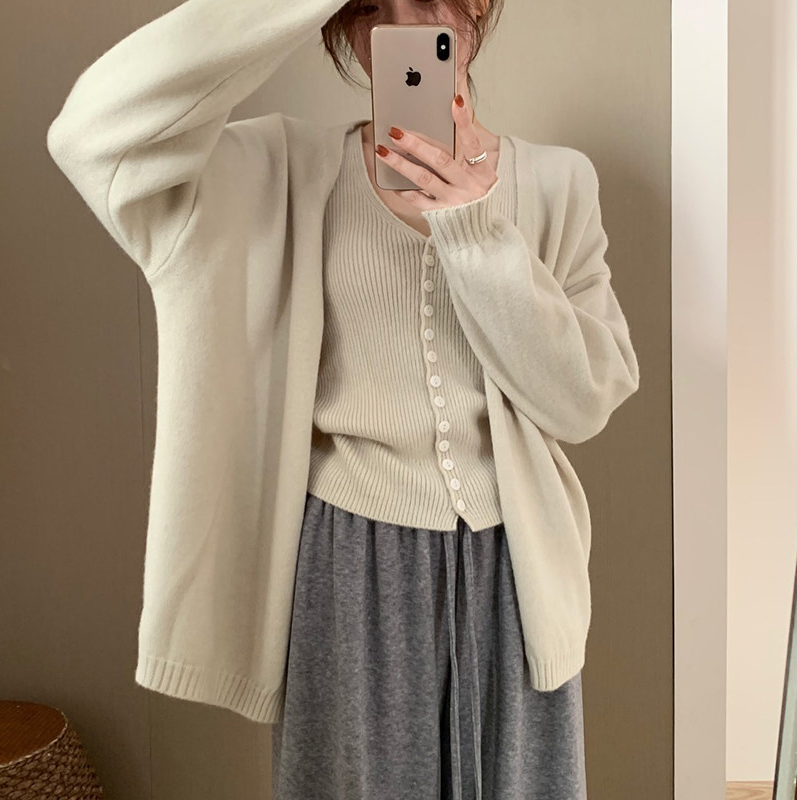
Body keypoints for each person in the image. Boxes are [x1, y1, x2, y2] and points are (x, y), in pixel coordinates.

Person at [46, 0, 640, 797]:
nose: (401, 25)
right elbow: (93, 135)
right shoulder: (282, 171)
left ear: (476, 8)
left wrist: (473, 229)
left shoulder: (560, 183)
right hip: (348, 572)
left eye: (425, 0)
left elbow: (582, 401)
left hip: (517, 572)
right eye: (370, 9)